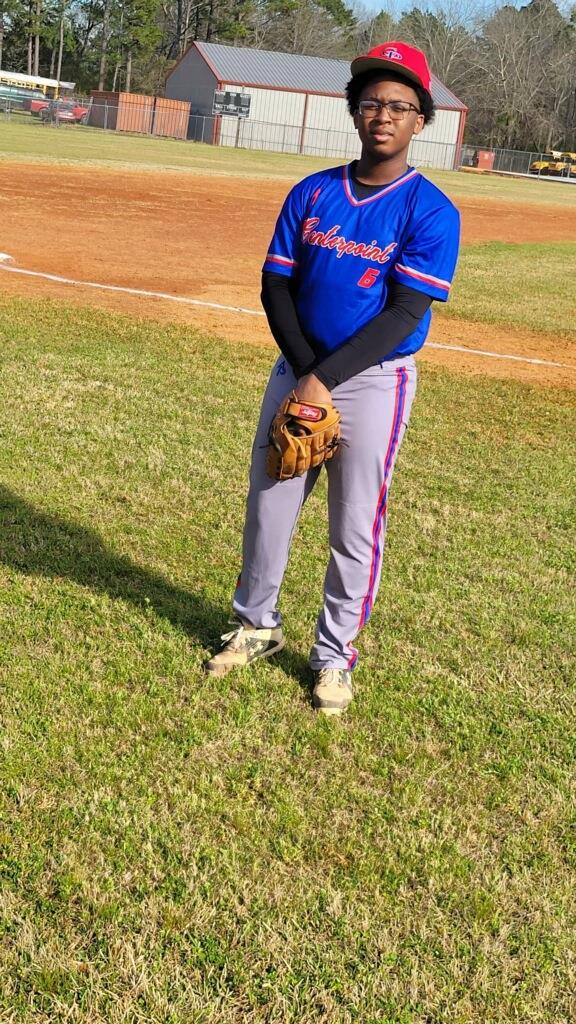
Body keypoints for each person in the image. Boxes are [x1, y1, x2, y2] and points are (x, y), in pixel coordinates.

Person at [206, 41, 461, 715]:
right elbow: (274, 284)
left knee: (354, 526)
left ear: (420, 120)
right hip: (299, 370)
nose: (384, 114)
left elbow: (406, 311)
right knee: (269, 506)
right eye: (373, 101)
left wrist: (323, 380)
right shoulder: (313, 191)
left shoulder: (431, 211)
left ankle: (333, 655)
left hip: (375, 380)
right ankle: (256, 623)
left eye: (400, 105)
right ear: (354, 111)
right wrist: (304, 373)